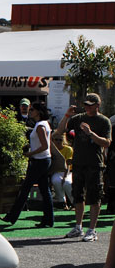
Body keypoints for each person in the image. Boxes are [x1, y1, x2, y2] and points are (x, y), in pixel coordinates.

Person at [55, 93, 112, 242]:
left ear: (97, 105)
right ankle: (78, 227)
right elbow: (60, 131)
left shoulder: (104, 121)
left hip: (94, 164)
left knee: (95, 197)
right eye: (85, 104)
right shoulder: (79, 118)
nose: (87, 107)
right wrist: (67, 115)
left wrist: (91, 133)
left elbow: (106, 143)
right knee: (77, 195)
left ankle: (92, 229)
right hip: (79, 163)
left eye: (90, 104)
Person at [2, 102, 54, 227]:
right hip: (44, 160)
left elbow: (44, 146)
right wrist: (30, 146)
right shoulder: (44, 124)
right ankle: (48, 219)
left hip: (39, 160)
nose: (30, 112)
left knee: (25, 189)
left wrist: (30, 154)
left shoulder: (40, 126)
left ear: (38, 112)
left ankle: (12, 216)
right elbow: (43, 143)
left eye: (32, 110)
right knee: (44, 190)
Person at [50, 133, 73, 211]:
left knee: (67, 183)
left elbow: (68, 164)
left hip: (68, 171)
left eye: (60, 140)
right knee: (56, 181)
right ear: (53, 140)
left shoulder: (68, 149)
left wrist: (65, 176)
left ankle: (74, 203)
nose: (58, 141)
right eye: (56, 139)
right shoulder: (51, 150)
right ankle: (62, 203)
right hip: (56, 171)